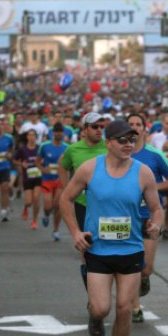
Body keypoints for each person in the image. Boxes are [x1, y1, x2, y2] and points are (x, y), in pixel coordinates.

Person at [60, 120, 164, 336]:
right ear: (109, 143)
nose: (129, 144)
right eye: (122, 140)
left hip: (130, 249)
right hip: (99, 249)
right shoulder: (89, 169)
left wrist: (156, 224)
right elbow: (65, 199)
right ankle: (95, 319)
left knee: (125, 308)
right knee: (101, 308)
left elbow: (156, 207)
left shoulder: (143, 173)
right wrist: (75, 232)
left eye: (132, 140)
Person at [127, 113, 168, 323]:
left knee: (146, 267)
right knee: (129, 265)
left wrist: (152, 188)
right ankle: (135, 307)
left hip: (149, 217)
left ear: (144, 129)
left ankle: (144, 279)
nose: (134, 128)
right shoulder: (118, 155)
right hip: (125, 220)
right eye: (130, 125)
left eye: (137, 124)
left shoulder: (155, 155)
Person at [59, 112, 108, 287]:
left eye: (102, 127)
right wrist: (68, 190)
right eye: (95, 127)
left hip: (106, 205)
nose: (99, 130)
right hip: (83, 204)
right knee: (87, 247)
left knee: (108, 243)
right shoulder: (73, 149)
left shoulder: (109, 146)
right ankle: (93, 292)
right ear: (85, 129)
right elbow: (62, 166)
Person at [38, 123, 69, 240]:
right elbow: (37, 161)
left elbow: (70, 164)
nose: (59, 134)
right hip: (47, 180)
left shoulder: (67, 147)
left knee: (58, 205)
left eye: (61, 132)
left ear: (63, 133)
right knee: (48, 205)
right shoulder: (44, 146)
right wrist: (42, 168)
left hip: (60, 180)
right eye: (56, 132)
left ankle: (56, 230)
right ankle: (46, 215)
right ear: (53, 133)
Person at [15, 130, 43, 229]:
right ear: (27, 137)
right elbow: (14, 160)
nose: (31, 137)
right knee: (29, 202)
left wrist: (42, 162)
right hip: (27, 178)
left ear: (36, 137)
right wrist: (21, 164)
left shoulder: (40, 148)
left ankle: (34, 221)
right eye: (30, 135)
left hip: (38, 177)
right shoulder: (22, 149)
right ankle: (26, 208)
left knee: (36, 198)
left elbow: (44, 159)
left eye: (33, 135)